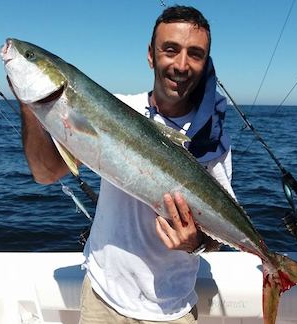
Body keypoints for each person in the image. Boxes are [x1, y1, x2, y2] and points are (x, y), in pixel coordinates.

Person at [16, 5, 234, 324]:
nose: (181, 64)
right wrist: (29, 101)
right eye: (170, 49)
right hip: (101, 297)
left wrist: (197, 242)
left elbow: (220, 234)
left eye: (195, 54)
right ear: (150, 54)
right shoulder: (112, 109)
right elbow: (46, 172)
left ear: (205, 63)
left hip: (171, 308)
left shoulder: (211, 137)